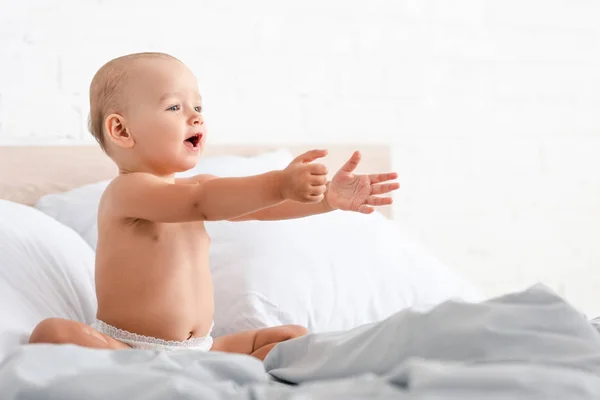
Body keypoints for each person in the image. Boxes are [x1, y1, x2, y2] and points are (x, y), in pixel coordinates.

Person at [28, 52, 400, 361]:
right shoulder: (128, 192)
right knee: (54, 332)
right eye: (175, 106)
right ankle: (134, 375)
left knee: (294, 336)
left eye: (198, 106)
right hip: (128, 349)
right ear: (122, 131)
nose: (196, 116)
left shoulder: (199, 188)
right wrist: (278, 182)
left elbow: (262, 209)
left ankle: (217, 371)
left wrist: (326, 202)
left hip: (200, 349)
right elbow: (202, 203)